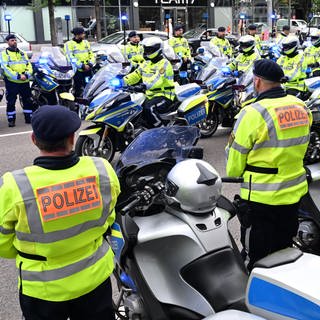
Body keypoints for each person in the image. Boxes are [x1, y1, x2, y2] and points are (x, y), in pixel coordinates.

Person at [0, 105, 120, 320]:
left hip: (43, 290)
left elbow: (3, 245)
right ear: (72, 139)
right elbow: (109, 217)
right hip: (95, 278)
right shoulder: (101, 169)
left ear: (34, 140)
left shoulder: (14, 186)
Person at [225, 59, 312, 271]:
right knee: (284, 253)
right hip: (293, 194)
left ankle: (250, 300)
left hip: (261, 199)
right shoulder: (300, 106)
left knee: (256, 259)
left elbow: (234, 165)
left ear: (257, 81)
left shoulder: (253, 113)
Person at [123, 37, 175, 128]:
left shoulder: (165, 64)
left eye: (150, 50)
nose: (147, 52)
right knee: (133, 107)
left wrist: (143, 86)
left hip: (164, 95)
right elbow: (135, 75)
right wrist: (121, 81)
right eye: (146, 50)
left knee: (149, 108)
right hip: (149, 95)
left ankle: (162, 130)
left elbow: (157, 80)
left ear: (157, 49)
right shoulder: (146, 63)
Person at [0, 34, 34, 127]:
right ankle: (11, 120)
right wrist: (18, 76)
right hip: (12, 82)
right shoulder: (4, 54)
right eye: (12, 40)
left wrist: (27, 75)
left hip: (24, 81)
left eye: (15, 40)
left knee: (27, 100)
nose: (14, 42)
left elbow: (29, 65)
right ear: (7, 42)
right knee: (11, 101)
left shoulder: (22, 53)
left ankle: (28, 117)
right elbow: (5, 68)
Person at [64, 27, 95, 98]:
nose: (84, 35)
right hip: (77, 70)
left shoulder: (86, 43)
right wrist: (81, 66)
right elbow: (71, 58)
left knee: (89, 86)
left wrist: (90, 63)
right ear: (77, 35)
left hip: (88, 69)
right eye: (82, 34)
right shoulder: (69, 44)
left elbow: (92, 54)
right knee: (78, 87)